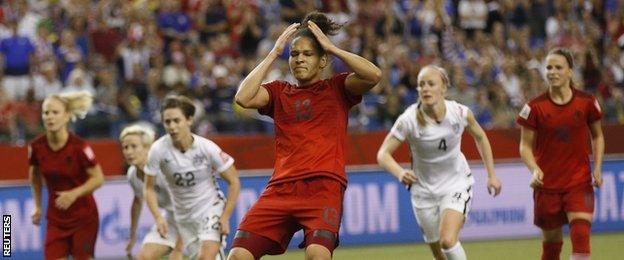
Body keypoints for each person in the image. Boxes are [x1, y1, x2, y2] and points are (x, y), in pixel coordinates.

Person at [230, 12, 382, 260]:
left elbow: (373, 75)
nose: (299, 59)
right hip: (280, 188)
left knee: (317, 255)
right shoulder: (279, 92)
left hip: (323, 186)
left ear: (323, 61)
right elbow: (243, 98)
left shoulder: (337, 88)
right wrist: (274, 52)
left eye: (307, 54)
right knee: (238, 255)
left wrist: (333, 48)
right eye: (294, 54)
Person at [377, 65, 502, 260]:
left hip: (456, 183)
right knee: (439, 255)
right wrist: (400, 173)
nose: (425, 88)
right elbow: (383, 154)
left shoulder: (460, 113)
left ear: (443, 88)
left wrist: (491, 174)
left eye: (430, 84)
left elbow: (481, 137)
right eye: (421, 85)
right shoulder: (409, 119)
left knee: (447, 241)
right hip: (423, 191)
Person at [517, 48, 604, 260]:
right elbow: (524, 147)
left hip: (579, 182)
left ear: (570, 72)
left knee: (581, 236)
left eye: (558, 67)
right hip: (547, 186)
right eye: (549, 67)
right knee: (551, 247)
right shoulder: (533, 107)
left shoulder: (587, 102)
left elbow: (597, 136)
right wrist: (534, 169)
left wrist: (598, 167)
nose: (552, 72)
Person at [144, 95, 241, 260]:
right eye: (167, 122)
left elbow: (234, 181)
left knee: (205, 258)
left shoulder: (206, 148)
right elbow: (148, 187)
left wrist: (225, 217)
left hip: (210, 209)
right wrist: (158, 217)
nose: (172, 127)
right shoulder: (158, 150)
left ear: (189, 120)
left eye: (176, 120)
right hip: (183, 217)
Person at [28, 91, 104, 259]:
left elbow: (98, 178)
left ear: (67, 116)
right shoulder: (36, 147)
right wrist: (38, 206)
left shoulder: (80, 147)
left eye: (55, 112)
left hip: (84, 217)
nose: (50, 117)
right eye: (46, 112)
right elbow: (34, 177)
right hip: (56, 219)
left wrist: (74, 194)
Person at [119, 124, 184, 260]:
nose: (128, 152)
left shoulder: (165, 169)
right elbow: (137, 201)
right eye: (125, 147)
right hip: (172, 219)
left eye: (134, 146)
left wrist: (178, 248)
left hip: (196, 217)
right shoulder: (132, 174)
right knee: (144, 257)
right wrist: (132, 236)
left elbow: (190, 203)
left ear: (148, 148)